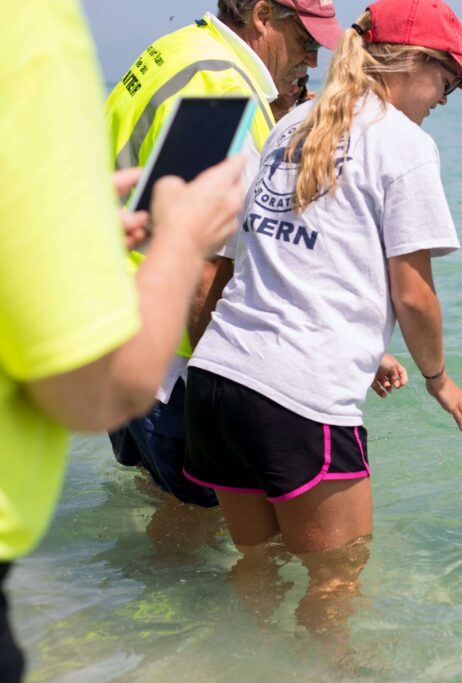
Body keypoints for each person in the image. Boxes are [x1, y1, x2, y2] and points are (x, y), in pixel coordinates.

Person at [183, 0, 462, 597]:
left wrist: (366, 349)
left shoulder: (290, 124)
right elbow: (414, 292)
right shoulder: (403, 144)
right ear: (409, 63)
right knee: (336, 581)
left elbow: (259, 258)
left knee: (257, 567)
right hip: (298, 400)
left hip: (216, 383)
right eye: (447, 79)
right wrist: (439, 378)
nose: (447, 98)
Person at [0, 3, 247, 681]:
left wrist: (75, 220)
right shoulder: (30, 29)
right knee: (194, 515)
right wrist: (181, 241)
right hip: (157, 354)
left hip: (117, 295)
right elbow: (96, 395)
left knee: (165, 507)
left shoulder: (166, 50)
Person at [104, 0, 347, 507]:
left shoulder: (181, 50)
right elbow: (196, 262)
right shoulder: (217, 86)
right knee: (203, 531)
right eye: (306, 40)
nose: (314, 59)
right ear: (262, 16)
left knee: (169, 516)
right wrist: (221, 405)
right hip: (168, 367)